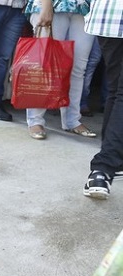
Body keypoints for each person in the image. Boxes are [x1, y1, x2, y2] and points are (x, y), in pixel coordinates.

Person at [24, 0, 96, 140]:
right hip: (51, 4)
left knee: (78, 68)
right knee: (44, 66)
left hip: (83, 7)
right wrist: (46, 6)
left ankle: (72, 120)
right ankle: (35, 120)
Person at [82, 0, 123, 199]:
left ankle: (113, 161)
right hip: (113, 15)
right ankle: (103, 168)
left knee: (116, 91)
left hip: (109, 16)